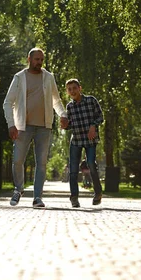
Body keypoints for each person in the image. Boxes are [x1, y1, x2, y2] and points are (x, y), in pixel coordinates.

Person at [3, 48, 68, 208]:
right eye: (36, 59)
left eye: (41, 59)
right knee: (17, 160)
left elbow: (56, 101)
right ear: (29, 59)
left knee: (42, 163)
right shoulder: (19, 78)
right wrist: (11, 124)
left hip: (43, 127)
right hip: (22, 127)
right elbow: (7, 103)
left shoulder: (48, 77)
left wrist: (63, 114)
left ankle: (37, 197)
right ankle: (18, 189)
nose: (39, 62)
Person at [63, 79, 103, 207]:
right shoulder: (69, 106)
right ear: (67, 92)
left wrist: (93, 126)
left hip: (90, 139)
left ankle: (98, 193)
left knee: (91, 163)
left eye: (74, 88)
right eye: (69, 89)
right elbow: (70, 126)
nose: (72, 91)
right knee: (73, 170)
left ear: (80, 88)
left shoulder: (91, 100)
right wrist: (65, 125)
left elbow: (100, 117)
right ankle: (74, 197)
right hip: (76, 140)